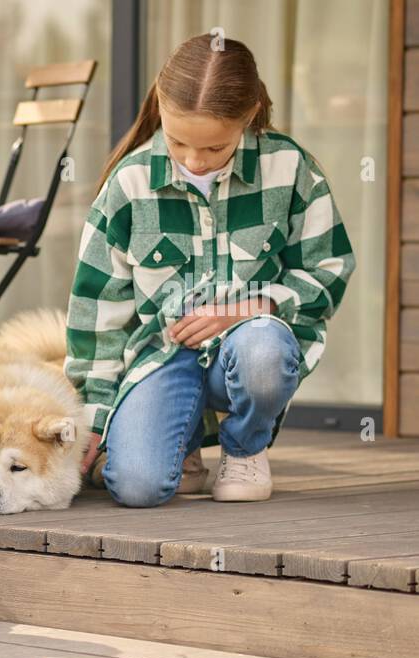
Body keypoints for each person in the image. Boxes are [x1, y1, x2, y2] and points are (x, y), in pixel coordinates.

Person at [65, 33, 355, 506]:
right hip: (162, 355)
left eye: (216, 148)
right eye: (179, 142)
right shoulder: (129, 183)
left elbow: (329, 267)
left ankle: (245, 447)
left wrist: (254, 307)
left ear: (250, 114)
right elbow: (97, 318)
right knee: (136, 488)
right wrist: (93, 421)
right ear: (160, 104)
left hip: (248, 349)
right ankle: (182, 448)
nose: (194, 160)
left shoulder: (289, 167)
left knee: (262, 350)